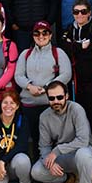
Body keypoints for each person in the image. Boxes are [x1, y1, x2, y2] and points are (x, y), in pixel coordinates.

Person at [31, 81, 92, 183]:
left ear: (66, 96)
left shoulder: (76, 109)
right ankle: (67, 178)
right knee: (36, 172)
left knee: (83, 155)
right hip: (64, 156)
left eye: (59, 97)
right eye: (51, 98)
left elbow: (83, 140)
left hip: (85, 151)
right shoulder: (44, 116)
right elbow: (44, 146)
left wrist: (56, 151)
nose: (56, 101)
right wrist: (49, 163)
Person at [14, 21, 72, 160]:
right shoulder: (25, 54)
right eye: (37, 33)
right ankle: (38, 170)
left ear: (50, 35)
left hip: (51, 103)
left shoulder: (58, 53)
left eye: (45, 32)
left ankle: (56, 170)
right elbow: (18, 75)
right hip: (30, 104)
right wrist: (29, 86)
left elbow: (66, 74)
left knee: (55, 138)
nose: (41, 36)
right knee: (35, 138)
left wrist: (48, 87)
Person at [60, 0, 92, 146]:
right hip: (74, 81)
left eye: (83, 12)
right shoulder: (69, 28)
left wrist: (73, 47)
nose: (79, 15)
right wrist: (80, 47)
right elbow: (62, 47)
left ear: (89, 13)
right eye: (76, 12)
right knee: (76, 117)